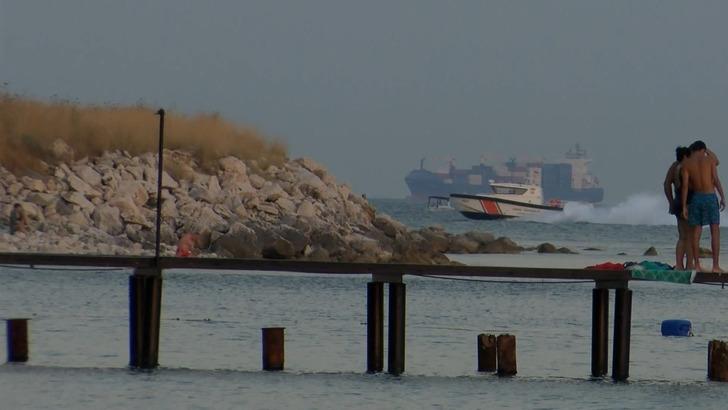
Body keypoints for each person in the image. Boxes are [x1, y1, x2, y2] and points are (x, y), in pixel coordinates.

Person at [681, 141, 725, 272]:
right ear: (703, 149)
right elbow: (716, 179)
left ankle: (697, 265)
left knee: (696, 233)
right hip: (710, 196)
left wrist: (684, 206)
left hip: (696, 198)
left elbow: (685, 186)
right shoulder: (710, 159)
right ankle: (715, 266)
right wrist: (722, 197)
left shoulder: (686, 163)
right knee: (715, 231)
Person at [663, 146, 691, 269]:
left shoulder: (674, 166)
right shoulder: (685, 167)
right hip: (687, 203)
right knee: (690, 236)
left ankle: (679, 265)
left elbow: (666, 184)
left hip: (677, 202)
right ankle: (690, 265)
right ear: (685, 156)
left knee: (682, 236)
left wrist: (671, 202)